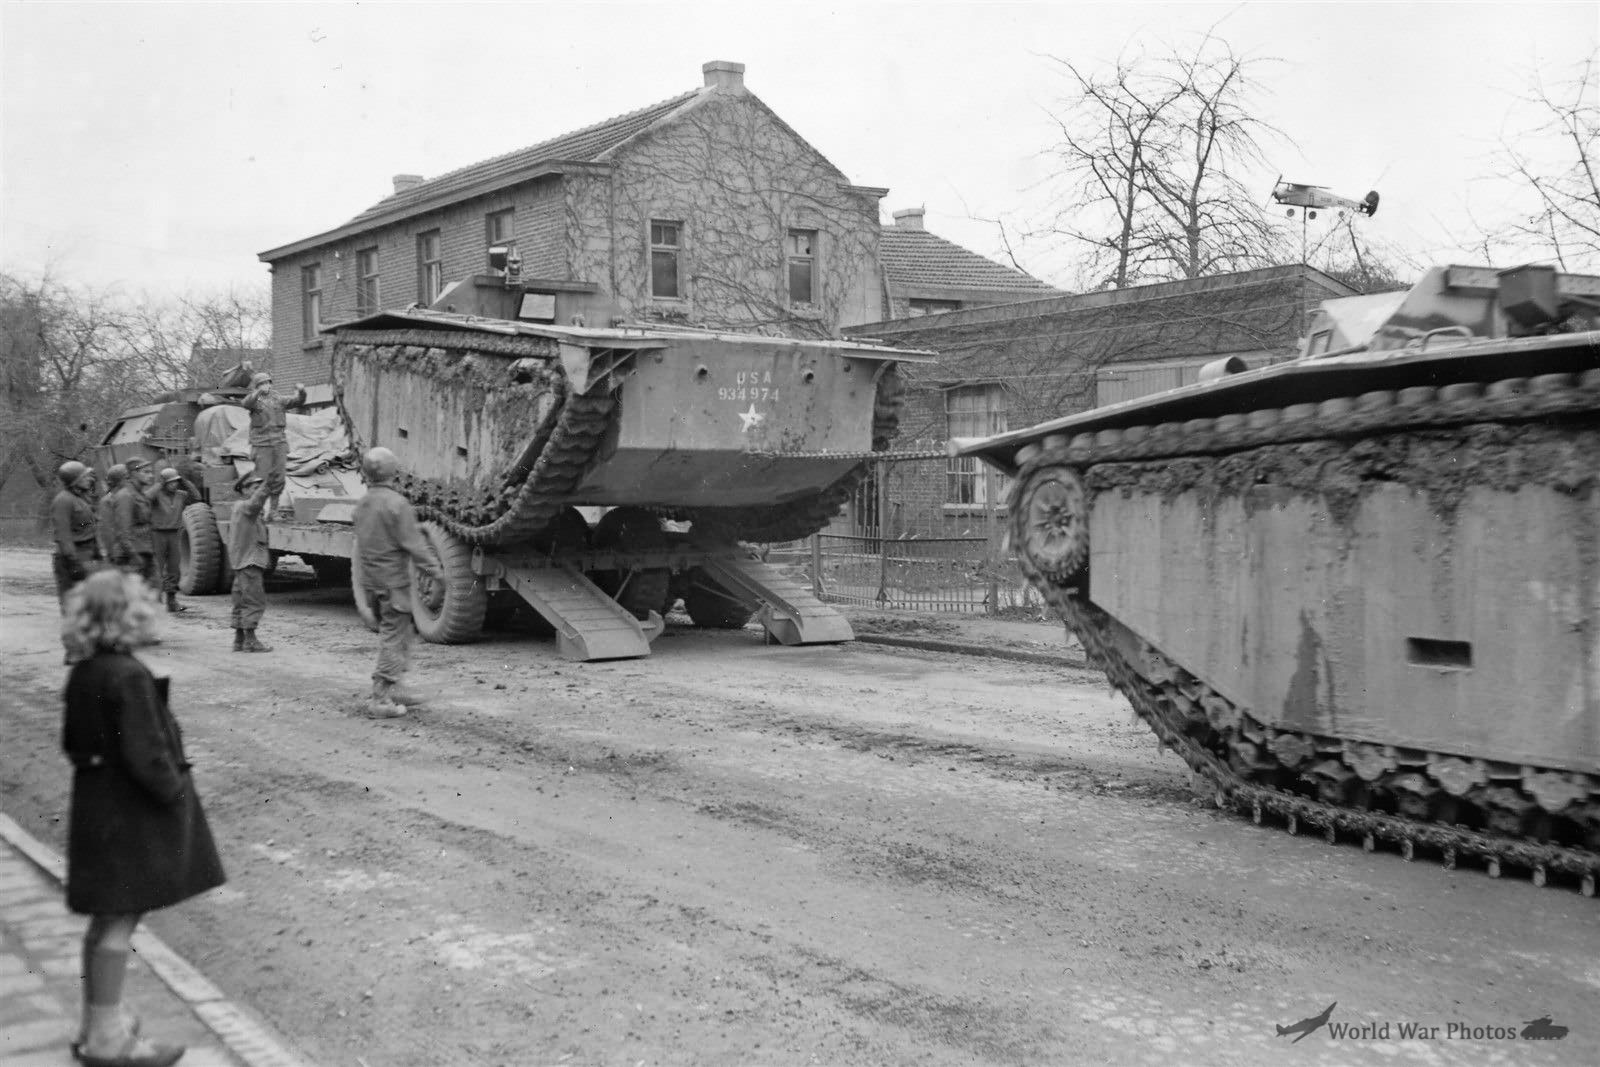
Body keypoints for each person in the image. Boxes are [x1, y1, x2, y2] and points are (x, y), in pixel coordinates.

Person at [60, 570, 225, 1067]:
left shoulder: (86, 670)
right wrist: (175, 791)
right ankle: (107, 1040)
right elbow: (148, 754)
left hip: (97, 809)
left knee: (104, 921)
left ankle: (97, 1025)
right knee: (121, 921)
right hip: (128, 816)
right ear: (124, 617)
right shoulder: (128, 675)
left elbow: (73, 744)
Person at [352, 446, 444, 717]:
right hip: (394, 583)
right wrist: (437, 574)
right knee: (395, 636)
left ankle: (396, 686)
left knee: (400, 634)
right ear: (394, 472)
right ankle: (381, 696)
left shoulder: (362, 505)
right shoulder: (397, 504)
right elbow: (415, 546)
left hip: (374, 582)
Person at [239, 369, 306, 514]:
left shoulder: (278, 398)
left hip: (279, 443)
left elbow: (297, 401)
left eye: (267, 382)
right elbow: (245, 403)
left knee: (279, 478)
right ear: (257, 386)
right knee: (261, 480)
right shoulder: (254, 399)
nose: (266, 385)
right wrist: (257, 392)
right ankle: (258, 510)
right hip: (261, 444)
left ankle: (273, 512)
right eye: (262, 383)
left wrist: (301, 392)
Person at [228, 471, 274, 652]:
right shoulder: (245, 507)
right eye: (255, 488)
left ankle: (239, 640)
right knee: (254, 600)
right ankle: (251, 641)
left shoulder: (242, 509)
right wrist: (269, 485)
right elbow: (255, 503)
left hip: (243, 562)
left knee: (240, 599)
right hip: (250, 561)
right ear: (245, 490)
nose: (258, 492)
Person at [146, 467, 201, 613]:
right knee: (156, 568)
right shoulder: (157, 495)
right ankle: (154, 601)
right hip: (157, 534)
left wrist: (184, 481)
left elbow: (197, 497)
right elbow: (146, 498)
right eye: (170, 482)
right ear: (164, 483)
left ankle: (171, 600)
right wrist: (159, 483)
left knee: (174, 569)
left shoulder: (181, 495)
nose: (174, 485)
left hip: (174, 534)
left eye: (176, 482)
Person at [51, 461, 101, 607]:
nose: (89, 479)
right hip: (72, 558)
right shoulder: (63, 500)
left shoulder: (81, 499)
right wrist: (73, 562)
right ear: (74, 481)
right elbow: (63, 535)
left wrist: (96, 551)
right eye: (84, 477)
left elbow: (85, 525)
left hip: (87, 553)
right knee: (73, 605)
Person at [111, 458, 156, 585]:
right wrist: (135, 557)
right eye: (146, 472)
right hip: (131, 558)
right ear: (133, 473)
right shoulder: (125, 496)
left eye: (151, 472)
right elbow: (123, 533)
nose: (151, 475)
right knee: (133, 600)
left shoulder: (140, 495)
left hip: (143, 553)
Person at [95, 465, 126, 563]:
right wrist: (112, 553)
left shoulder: (127, 498)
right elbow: (106, 530)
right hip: (118, 552)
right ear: (119, 481)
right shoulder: (107, 501)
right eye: (127, 478)